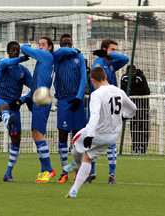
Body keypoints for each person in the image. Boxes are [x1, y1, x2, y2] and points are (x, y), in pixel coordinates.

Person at [64, 66, 137, 198]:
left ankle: (76, 163)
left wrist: (90, 135)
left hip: (97, 133)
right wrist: (125, 116)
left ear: (92, 80)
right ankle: (73, 191)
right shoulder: (119, 91)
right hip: (111, 137)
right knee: (89, 157)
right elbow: (133, 108)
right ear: (106, 77)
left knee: (75, 141)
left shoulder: (96, 94)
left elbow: (95, 115)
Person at [86, 38, 129, 184]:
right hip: (100, 105)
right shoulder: (99, 64)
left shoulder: (110, 63)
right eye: (113, 49)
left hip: (110, 106)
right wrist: (107, 54)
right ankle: (91, 173)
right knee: (93, 138)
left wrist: (111, 54)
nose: (116, 53)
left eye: (116, 50)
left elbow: (126, 59)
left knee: (111, 140)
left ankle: (112, 174)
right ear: (105, 49)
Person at [0, 41, 33, 182]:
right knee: (4, 107)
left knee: (16, 139)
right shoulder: (3, 63)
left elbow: (35, 88)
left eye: (17, 50)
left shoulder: (23, 71)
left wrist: (22, 99)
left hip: (14, 104)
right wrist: (23, 58)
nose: (15, 52)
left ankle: (8, 173)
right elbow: (4, 64)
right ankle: (8, 119)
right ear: (8, 51)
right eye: (13, 50)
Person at [21, 36, 56, 183]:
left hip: (42, 101)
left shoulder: (46, 56)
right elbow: (35, 84)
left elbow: (23, 48)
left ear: (49, 48)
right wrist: (22, 99)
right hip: (38, 99)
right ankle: (44, 170)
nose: (40, 47)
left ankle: (49, 170)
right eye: (39, 44)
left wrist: (27, 46)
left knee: (38, 134)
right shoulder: (41, 62)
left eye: (43, 44)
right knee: (36, 134)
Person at [53, 34, 87, 183]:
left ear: (72, 43)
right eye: (64, 43)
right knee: (62, 134)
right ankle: (63, 171)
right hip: (63, 100)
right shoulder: (58, 57)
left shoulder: (79, 58)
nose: (67, 45)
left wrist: (79, 97)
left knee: (77, 136)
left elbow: (83, 78)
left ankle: (77, 171)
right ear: (60, 45)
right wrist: (72, 51)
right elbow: (58, 53)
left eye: (69, 43)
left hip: (76, 99)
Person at [121, 65, 150, 154]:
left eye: (132, 73)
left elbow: (146, 91)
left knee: (143, 128)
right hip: (131, 108)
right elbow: (123, 91)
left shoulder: (141, 77)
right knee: (134, 128)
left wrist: (133, 92)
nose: (130, 75)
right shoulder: (124, 78)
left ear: (135, 72)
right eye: (128, 73)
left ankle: (142, 148)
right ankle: (135, 147)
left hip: (142, 107)